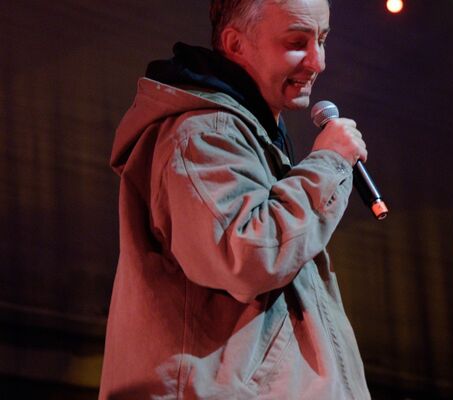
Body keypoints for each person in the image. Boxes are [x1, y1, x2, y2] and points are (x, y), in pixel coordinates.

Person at [100, 0, 371, 398]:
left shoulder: (245, 136)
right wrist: (329, 163)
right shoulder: (201, 135)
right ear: (235, 43)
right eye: (297, 41)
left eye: (322, 39)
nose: (318, 61)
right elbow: (248, 255)